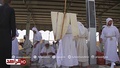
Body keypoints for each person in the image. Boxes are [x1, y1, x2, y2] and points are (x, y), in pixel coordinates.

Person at [0, 0, 16, 67]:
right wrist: (13, 34)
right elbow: (13, 23)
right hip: (6, 34)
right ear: (10, 2)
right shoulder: (11, 10)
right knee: (6, 52)